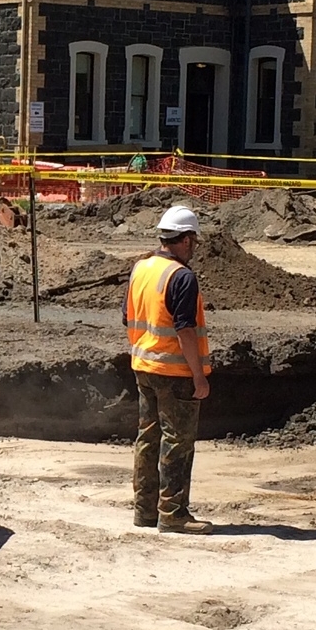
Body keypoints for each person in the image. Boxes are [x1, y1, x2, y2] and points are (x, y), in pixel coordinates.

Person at [124, 203, 211, 534]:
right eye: (195, 242)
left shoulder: (141, 269)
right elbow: (185, 329)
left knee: (148, 437)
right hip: (175, 372)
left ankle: (145, 511)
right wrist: (199, 375)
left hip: (143, 365)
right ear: (186, 240)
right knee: (177, 442)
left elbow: (128, 317)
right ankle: (173, 514)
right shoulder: (182, 277)